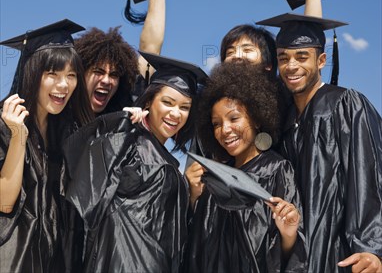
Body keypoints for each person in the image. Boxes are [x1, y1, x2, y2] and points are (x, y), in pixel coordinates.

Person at [258, 13, 382, 273]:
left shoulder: (346, 104)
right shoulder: (285, 120)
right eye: (284, 58)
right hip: (297, 255)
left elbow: (368, 177)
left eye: (302, 57)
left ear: (321, 60)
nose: (291, 66)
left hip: (342, 255)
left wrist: (372, 248)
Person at [62, 52, 207, 273]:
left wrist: (191, 196)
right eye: (168, 102)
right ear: (149, 100)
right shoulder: (128, 142)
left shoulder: (172, 167)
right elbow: (81, 173)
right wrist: (118, 125)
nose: (175, 113)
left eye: (184, 107)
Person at [185, 61, 306, 272]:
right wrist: (193, 197)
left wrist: (288, 233)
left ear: (257, 118)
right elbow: (196, 247)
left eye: (234, 118)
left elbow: (289, 256)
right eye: (216, 124)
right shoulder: (215, 178)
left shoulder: (276, 170)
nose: (225, 130)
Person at [0, 19, 93, 273]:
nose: (63, 85)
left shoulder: (69, 136)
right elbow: (5, 204)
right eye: (53, 74)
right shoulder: (4, 124)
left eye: (71, 75)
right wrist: (19, 136)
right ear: (33, 72)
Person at [75, 0, 168, 114]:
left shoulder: (120, 115)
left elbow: (150, 50)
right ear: (80, 74)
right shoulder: (59, 115)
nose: (106, 80)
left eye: (114, 74)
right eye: (98, 71)